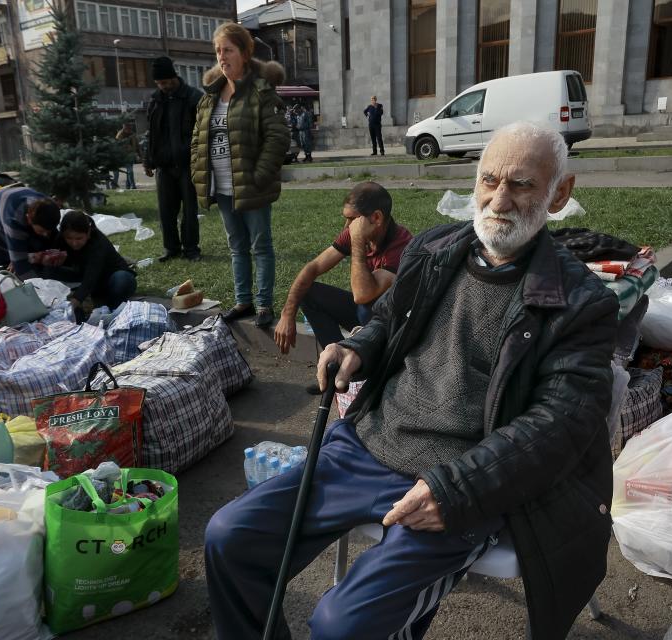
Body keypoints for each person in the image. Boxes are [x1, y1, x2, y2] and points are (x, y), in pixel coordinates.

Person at [205, 122, 620, 640]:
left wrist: (456, 488)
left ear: (560, 193)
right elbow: (388, 319)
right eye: (489, 181)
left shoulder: (582, 303)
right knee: (229, 538)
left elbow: (560, 425)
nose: (499, 199)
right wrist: (358, 345)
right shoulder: (436, 249)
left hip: (461, 481)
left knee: (343, 625)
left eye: (521, 185)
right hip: (367, 444)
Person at [191, 22, 289, 328]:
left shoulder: (260, 91)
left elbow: (278, 137)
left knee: (260, 245)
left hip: (251, 185)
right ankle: (243, 300)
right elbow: (197, 138)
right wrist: (199, 171)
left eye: (228, 50)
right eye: (218, 51)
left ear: (244, 53)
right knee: (236, 246)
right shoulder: (210, 96)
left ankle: (263, 304)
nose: (222, 56)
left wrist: (259, 175)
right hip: (221, 186)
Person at [273, 181, 412, 386]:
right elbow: (313, 268)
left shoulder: (402, 245)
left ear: (376, 218)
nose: (347, 227)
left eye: (352, 220)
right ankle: (334, 365)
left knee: (366, 306)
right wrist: (287, 314)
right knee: (309, 293)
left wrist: (356, 241)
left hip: (389, 327)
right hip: (366, 315)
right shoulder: (356, 231)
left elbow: (362, 294)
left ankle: (365, 373)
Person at [144, 56, 203, 262]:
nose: (163, 86)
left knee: (189, 209)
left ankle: (191, 248)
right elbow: (150, 133)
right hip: (163, 165)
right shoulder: (155, 100)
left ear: (173, 77)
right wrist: (148, 159)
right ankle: (171, 248)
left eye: (166, 82)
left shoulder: (193, 97)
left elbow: (203, 133)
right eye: (159, 83)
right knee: (166, 211)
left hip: (187, 164)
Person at [45, 210, 136, 315]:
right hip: (85, 279)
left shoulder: (98, 244)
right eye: (69, 238)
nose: (74, 243)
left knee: (122, 279)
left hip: (109, 279)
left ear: (88, 233)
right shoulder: (61, 239)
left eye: (79, 238)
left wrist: (74, 303)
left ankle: (111, 308)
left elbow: (92, 275)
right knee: (49, 270)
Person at [113, 122, 139, 190]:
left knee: (129, 171)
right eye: (127, 128)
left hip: (131, 155)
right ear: (124, 128)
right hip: (122, 156)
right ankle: (132, 186)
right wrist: (129, 148)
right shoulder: (119, 135)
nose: (129, 129)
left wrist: (139, 154)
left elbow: (137, 145)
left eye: (130, 128)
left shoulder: (132, 134)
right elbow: (119, 145)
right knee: (129, 171)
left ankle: (128, 186)